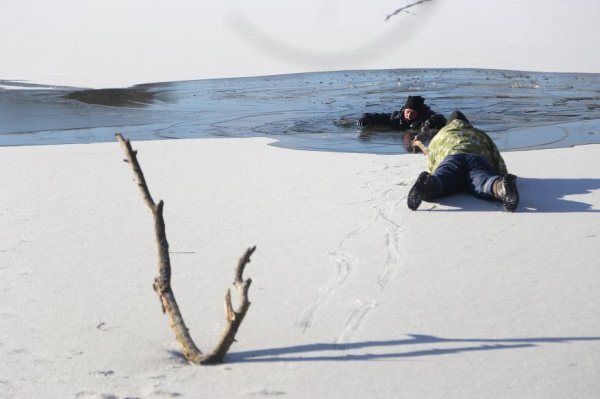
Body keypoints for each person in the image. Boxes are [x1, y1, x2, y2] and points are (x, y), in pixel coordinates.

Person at [407, 110, 519, 212]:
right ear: (467, 122)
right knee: (483, 181)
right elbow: (497, 159)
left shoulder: (440, 135)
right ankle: (500, 186)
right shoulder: (480, 134)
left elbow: (432, 163)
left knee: (443, 180)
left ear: (448, 125)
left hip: (452, 159)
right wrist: (501, 174)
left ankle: (429, 184)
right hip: (476, 159)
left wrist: (432, 174)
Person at [357, 95, 446, 131]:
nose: (409, 115)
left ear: (419, 113)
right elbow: (379, 117)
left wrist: (428, 123)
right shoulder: (396, 117)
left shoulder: (427, 116)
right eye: (407, 112)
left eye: (413, 113)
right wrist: (366, 117)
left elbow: (441, 119)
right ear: (404, 111)